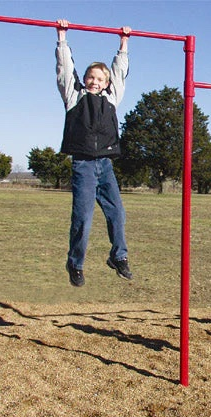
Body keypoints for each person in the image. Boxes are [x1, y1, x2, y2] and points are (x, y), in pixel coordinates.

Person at [56, 19, 133, 287]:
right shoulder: (74, 96)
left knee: (117, 213)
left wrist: (124, 44)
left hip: (106, 166)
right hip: (84, 166)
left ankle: (118, 256)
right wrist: (62, 38)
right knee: (83, 218)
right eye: (90, 77)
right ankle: (75, 263)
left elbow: (119, 72)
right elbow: (66, 69)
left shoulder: (112, 98)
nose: (94, 82)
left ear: (106, 83)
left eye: (100, 79)